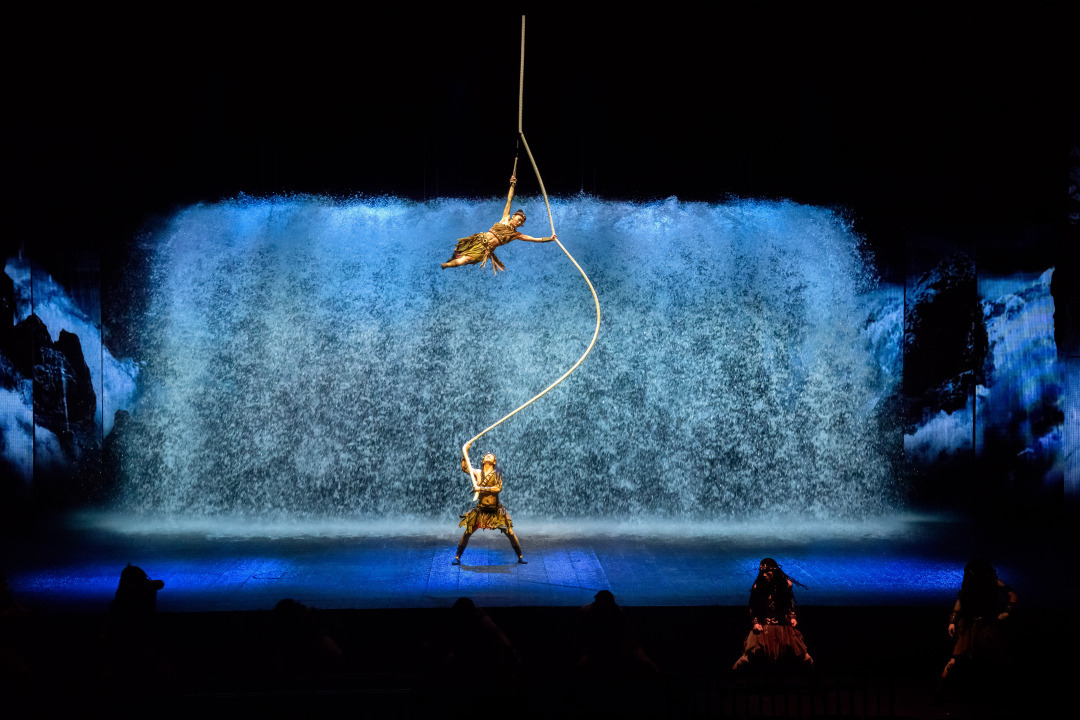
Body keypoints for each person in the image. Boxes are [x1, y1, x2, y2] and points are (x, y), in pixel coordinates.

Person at [441, 175, 556, 273]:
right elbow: (509, 199)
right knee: (458, 250)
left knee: (466, 260)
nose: (519, 222)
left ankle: (447, 265)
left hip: (484, 250)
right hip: (478, 239)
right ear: (513, 216)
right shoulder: (505, 218)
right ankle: (451, 259)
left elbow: (534, 239)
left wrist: (549, 239)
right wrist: (512, 185)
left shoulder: (515, 235)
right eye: (518, 219)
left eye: (521, 222)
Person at [940, 558, 1017, 683]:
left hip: (987, 624)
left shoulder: (993, 581)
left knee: (996, 657)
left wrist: (1007, 612)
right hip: (969, 623)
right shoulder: (970, 582)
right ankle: (939, 690)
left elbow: (1012, 595)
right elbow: (961, 600)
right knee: (955, 660)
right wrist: (953, 620)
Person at [732, 558, 813, 670]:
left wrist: (793, 617)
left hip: (783, 626)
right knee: (747, 657)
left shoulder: (786, 585)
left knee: (804, 656)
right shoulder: (758, 587)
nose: (764, 575)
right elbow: (753, 607)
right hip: (764, 626)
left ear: (774, 571)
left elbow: (789, 603)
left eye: (767, 572)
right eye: (762, 572)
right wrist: (755, 622)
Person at [452, 452, 526, 565]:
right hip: (481, 511)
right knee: (467, 532)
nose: (488, 455)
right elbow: (465, 468)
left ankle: (520, 556)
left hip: (495, 511)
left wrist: (480, 489)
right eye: (486, 455)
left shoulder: (497, 474)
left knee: (510, 533)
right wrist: (465, 453)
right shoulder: (478, 473)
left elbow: (498, 488)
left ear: (494, 462)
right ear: (483, 461)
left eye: (491, 456)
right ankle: (457, 557)